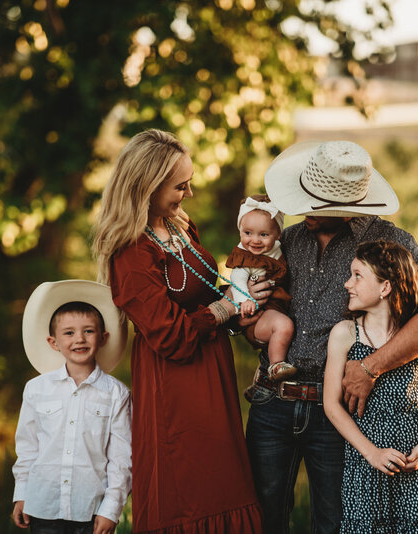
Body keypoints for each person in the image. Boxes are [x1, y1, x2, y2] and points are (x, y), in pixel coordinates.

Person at [244, 140, 418, 533]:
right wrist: (249, 311)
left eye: (316, 205)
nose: (305, 210)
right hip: (273, 401)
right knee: (262, 518)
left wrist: (370, 367)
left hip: (336, 409)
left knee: (335, 522)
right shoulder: (287, 240)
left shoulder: (391, 244)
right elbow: (257, 326)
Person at [91, 129, 265, 533]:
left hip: (212, 372)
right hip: (176, 384)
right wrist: (224, 308)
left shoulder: (179, 226)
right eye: (180, 186)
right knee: (190, 491)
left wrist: (239, 295)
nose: (189, 193)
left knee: (225, 484)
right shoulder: (131, 252)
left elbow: (202, 289)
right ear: (147, 188)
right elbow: (171, 336)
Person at [324, 240, 418, 533]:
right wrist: (372, 453)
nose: (348, 283)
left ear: (385, 287)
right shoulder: (345, 334)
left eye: (358, 276)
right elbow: (331, 405)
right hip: (367, 464)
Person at [12, 280, 132, 534]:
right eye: (69, 333)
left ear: (103, 337)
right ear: (53, 342)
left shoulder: (116, 394)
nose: (79, 339)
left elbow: (121, 459)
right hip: (43, 506)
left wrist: (111, 509)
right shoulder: (36, 390)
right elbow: (27, 448)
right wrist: (22, 493)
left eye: (88, 331)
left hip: (90, 510)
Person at [227, 194, 297, 381]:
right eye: (247, 233)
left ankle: (257, 380)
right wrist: (245, 300)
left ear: (278, 235)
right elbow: (237, 278)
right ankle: (275, 367)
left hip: (273, 307)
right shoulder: (247, 256)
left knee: (283, 324)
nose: (255, 240)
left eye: (263, 234)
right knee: (284, 326)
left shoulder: (278, 248)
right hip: (258, 312)